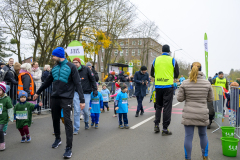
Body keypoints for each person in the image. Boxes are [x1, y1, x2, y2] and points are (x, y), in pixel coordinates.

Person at [33, 47, 85, 159]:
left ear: (59, 55)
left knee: (67, 121)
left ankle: (68, 148)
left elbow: (77, 84)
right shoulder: (55, 68)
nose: (52, 58)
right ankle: (57, 139)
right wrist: (38, 92)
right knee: (55, 119)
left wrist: (82, 100)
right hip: (54, 97)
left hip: (66, 98)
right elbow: (47, 82)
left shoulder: (71, 67)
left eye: (53, 56)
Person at [177, 62, 213, 160]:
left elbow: (179, 99)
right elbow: (210, 99)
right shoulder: (207, 83)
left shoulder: (185, 83)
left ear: (190, 69)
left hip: (189, 114)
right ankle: (205, 156)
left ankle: (187, 158)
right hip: (202, 113)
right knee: (203, 135)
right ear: (201, 70)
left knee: (188, 136)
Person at [151, 44, 179, 135]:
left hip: (158, 86)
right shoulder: (172, 60)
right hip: (168, 86)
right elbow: (177, 73)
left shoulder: (156, 59)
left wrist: (158, 77)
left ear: (162, 51)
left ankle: (156, 125)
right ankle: (165, 128)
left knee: (158, 106)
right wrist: (172, 77)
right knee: (167, 107)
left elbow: (152, 73)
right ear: (169, 51)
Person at [72, 58, 97, 133]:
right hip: (76, 92)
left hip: (86, 92)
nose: (75, 64)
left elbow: (93, 79)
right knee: (76, 110)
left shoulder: (86, 69)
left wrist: (95, 89)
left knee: (86, 110)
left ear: (79, 63)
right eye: (73, 63)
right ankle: (76, 128)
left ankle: (86, 122)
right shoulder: (72, 70)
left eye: (76, 62)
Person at [0, 82, 13, 151]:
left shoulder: (6, 99)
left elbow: (10, 108)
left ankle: (2, 143)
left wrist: (11, 117)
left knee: (0, 130)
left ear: (3, 91)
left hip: (3, 118)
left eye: (0, 90)